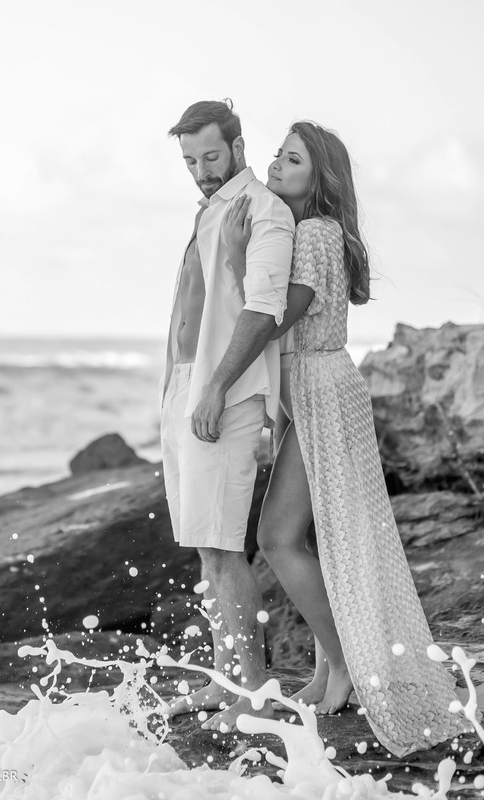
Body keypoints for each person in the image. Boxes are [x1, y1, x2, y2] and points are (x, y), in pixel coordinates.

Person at [221, 120, 468, 756]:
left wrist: (237, 256)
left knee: (279, 537)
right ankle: (334, 666)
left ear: (320, 178)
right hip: (314, 394)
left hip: (326, 394)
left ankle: (347, 663)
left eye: (292, 159)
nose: (277, 164)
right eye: (278, 154)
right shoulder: (308, 232)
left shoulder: (317, 233)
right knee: (296, 537)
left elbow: (280, 314)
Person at [159, 99, 295, 732]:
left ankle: (255, 694)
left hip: (223, 392)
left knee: (222, 547)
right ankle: (225, 683)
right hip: (187, 388)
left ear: (239, 147)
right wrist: (180, 389)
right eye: (190, 160)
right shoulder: (212, 209)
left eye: (210, 156)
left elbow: (263, 311)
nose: (201, 170)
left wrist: (213, 388)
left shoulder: (262, 212)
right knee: (205, 550)